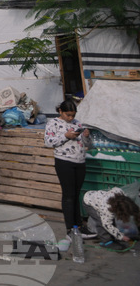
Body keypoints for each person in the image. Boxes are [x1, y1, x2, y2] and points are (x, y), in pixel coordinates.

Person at [44, 98, 96, 251]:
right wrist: (66, 136)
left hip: (80, 162)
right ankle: (70, 229)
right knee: (68, 195)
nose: (71, 118)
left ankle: (79, 226)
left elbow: (90, 145)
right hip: (64, 162)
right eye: (68, 115)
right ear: (60, 111)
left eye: (73, 115)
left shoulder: (78, 123)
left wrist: (86, 136)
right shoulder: (53, 123)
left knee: (76, 194)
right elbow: (48, 142)